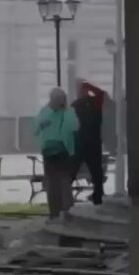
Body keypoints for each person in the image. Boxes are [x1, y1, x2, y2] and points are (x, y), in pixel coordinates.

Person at [33, 87, 80, 219]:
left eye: (61, 99)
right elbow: (76, 127)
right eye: (58, 99)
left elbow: (35, 129)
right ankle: (62, 212)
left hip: (56, 151)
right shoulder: (63, 112)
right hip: (58, 151)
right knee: (59, 183)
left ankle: (60, 212)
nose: (60, 102)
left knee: (57, 183)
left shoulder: (50, 112)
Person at [72, 79, 106, 205]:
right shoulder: (76, 104)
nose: (81, 91)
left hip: (90, 142)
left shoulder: (93, 102)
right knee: (73, 170)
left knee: (96, 172)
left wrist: (87, 85)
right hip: (84, 142)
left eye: (82, 89)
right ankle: (66, 196)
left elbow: (101, 93)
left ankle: (98, 195)